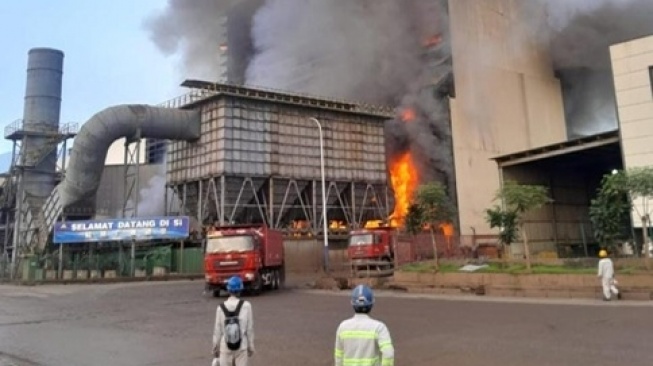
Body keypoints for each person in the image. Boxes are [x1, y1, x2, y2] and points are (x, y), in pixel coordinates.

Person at [334, 284, 394, 366]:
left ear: (352, 303)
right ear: (371, 304)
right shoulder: (379, 328)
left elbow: (338, 357)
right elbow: (388, 354)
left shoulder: (342, 327)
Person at [213, 276, 255, 366]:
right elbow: (249, 329)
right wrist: (250, 347)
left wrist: (215, 349)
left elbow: (217, 331)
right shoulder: (247, 306)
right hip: (241, 347)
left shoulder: (220, 307)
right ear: (240, 290)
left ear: (228, 290)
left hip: (225, 347)